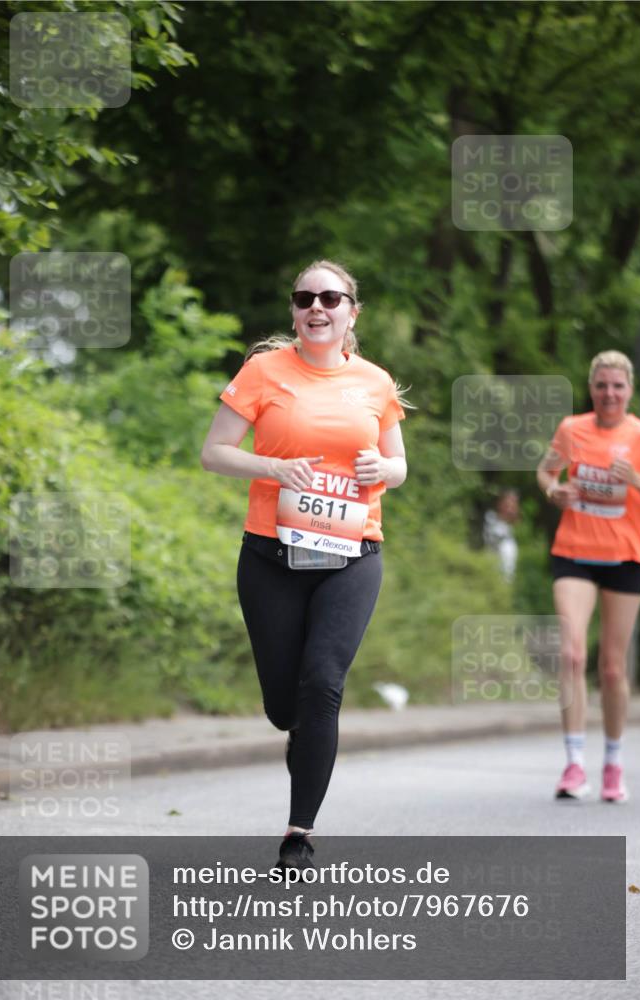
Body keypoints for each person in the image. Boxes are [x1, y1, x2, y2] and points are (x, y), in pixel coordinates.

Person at [201, 260, 407, 868]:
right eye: (305, 297)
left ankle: (298, 832)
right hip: (271, 555)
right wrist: (271, 468)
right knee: (283, 706)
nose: (317, 307)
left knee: (323, 684)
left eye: (331, 298)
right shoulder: (263, 372)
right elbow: (213, 453)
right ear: (294, 311)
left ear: (351, 313)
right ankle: (292, 722)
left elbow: (398, 465)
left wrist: (382, 471)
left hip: (352, 554)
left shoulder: (375, 382)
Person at [536, 350, 640, 803]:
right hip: (575, 552)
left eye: (617, 386)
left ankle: (614, 765)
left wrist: (636, 480)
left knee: (614, 667)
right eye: (601, 385)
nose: (609, 394)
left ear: (630, 390)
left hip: (625, 555)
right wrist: (554, 490)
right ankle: (575, 763)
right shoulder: (572, 429)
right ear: (592, 388)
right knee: (572, 654)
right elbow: (545, 471)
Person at [483, 489, 520, 582]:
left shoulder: (513, 526)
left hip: (506, 569)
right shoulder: (490, 517)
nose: (510, 508)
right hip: (490, 561)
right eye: (507, 504)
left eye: (513, 505)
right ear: (500, 503)